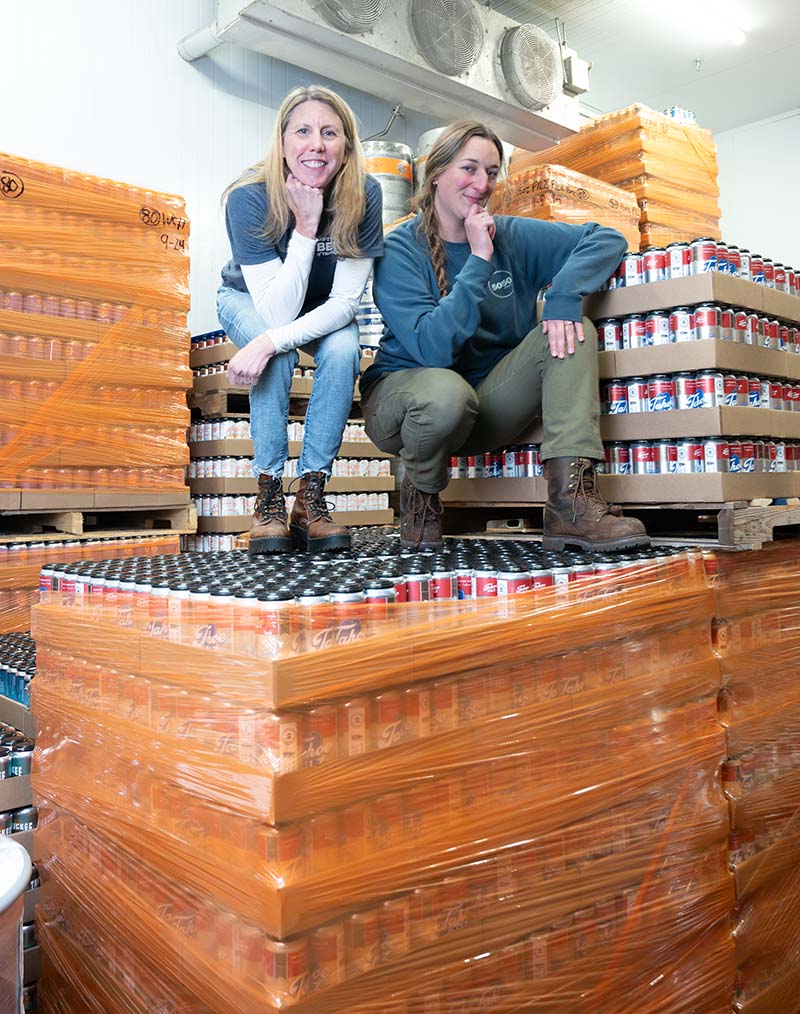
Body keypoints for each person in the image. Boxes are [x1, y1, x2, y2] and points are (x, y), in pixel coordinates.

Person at [360, 120, 649, 554]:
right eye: (469, 169)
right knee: (444, 392)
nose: (481, 184)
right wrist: (479, 259)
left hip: (485, 406)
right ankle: (420, 496)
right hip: (407, 406)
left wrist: (564, 297)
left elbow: (606, 238)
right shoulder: (401, 248)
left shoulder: (510, 234)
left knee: (575, 334)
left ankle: (569, 507)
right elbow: (431, 349)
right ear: (436, 173)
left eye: (492, 172)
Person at [216, 85, 383, 554]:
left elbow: (346, 303)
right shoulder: (249, 196)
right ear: (283, 140)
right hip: (248, 298)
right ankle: (268, 495)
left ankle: (310, 497)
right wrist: (306, 228)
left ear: (346, 145)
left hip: (324, 305)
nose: (316, 144)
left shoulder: (363, 194)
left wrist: (269, 341)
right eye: (303, 131)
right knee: (280, 351)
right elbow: (273, 313)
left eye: (329, 132)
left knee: (345, 345)